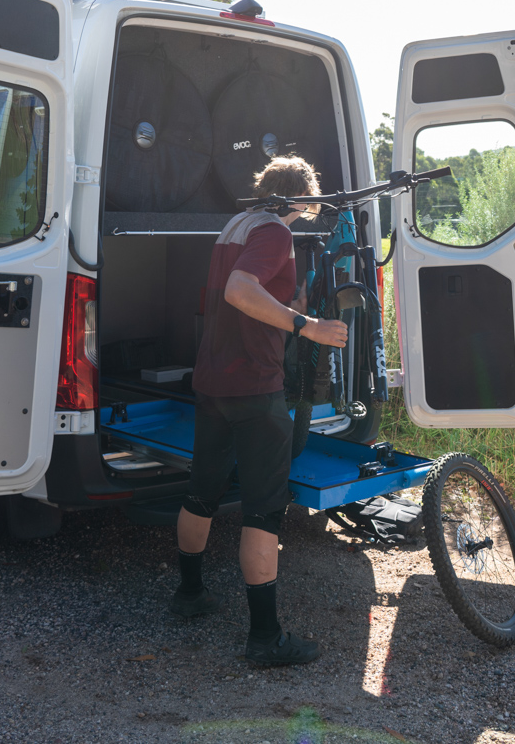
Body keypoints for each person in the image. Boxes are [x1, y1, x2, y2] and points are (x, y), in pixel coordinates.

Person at [170, 156, 348, 666]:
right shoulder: (274, 233)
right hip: (254, 387)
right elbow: (239, 291)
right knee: (264, 511)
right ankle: (265, 639)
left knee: (201, 492)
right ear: (303, 196)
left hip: (214, 383)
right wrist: (307, 326)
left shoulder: (236, 224)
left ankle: (189, 595)